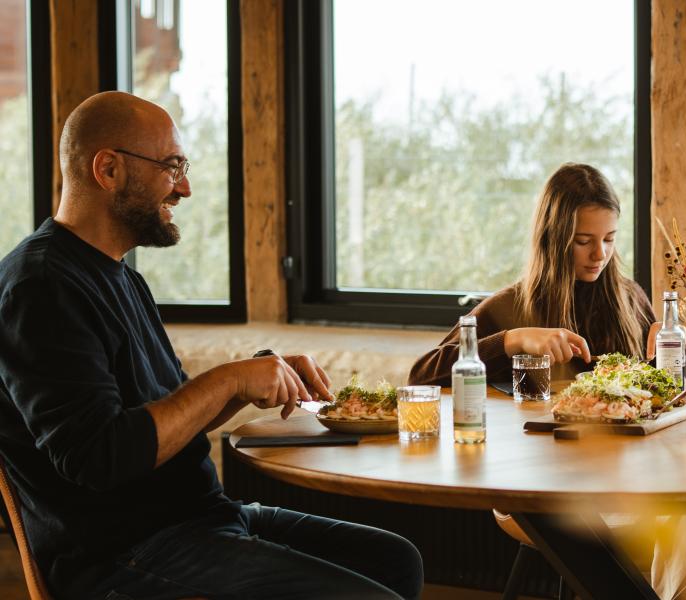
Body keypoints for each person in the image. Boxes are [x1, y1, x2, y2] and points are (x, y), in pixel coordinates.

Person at [0, 91, 422, 599]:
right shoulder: (40, 285)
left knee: (395, 559)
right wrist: (228, 379)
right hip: (121, 553)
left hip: (201, 519)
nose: (185, 187)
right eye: (171, 166)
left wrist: (252, 381)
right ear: (108, 169)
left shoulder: (123, 279)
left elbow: (173, 418)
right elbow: (100, 457)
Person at [408, 163, 655, 385]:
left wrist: (676, 348)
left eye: (609, 239)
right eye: (583, 241)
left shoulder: (631, 298)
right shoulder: (509, 306)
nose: (600, 254)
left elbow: (666, 386)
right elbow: (421, 375)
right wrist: (514, 340)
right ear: (553, 239)